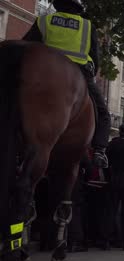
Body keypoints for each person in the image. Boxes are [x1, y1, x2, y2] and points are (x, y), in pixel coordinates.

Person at [22, 0, 110, 168]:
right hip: (79, 73)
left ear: (58, 7)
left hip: (43, 71)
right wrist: (90, 74)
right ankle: (99, 151)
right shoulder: (86, 26)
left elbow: (26, 46)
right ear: (77, 10)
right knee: (103, 113)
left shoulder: (44, 20)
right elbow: (95, 57)